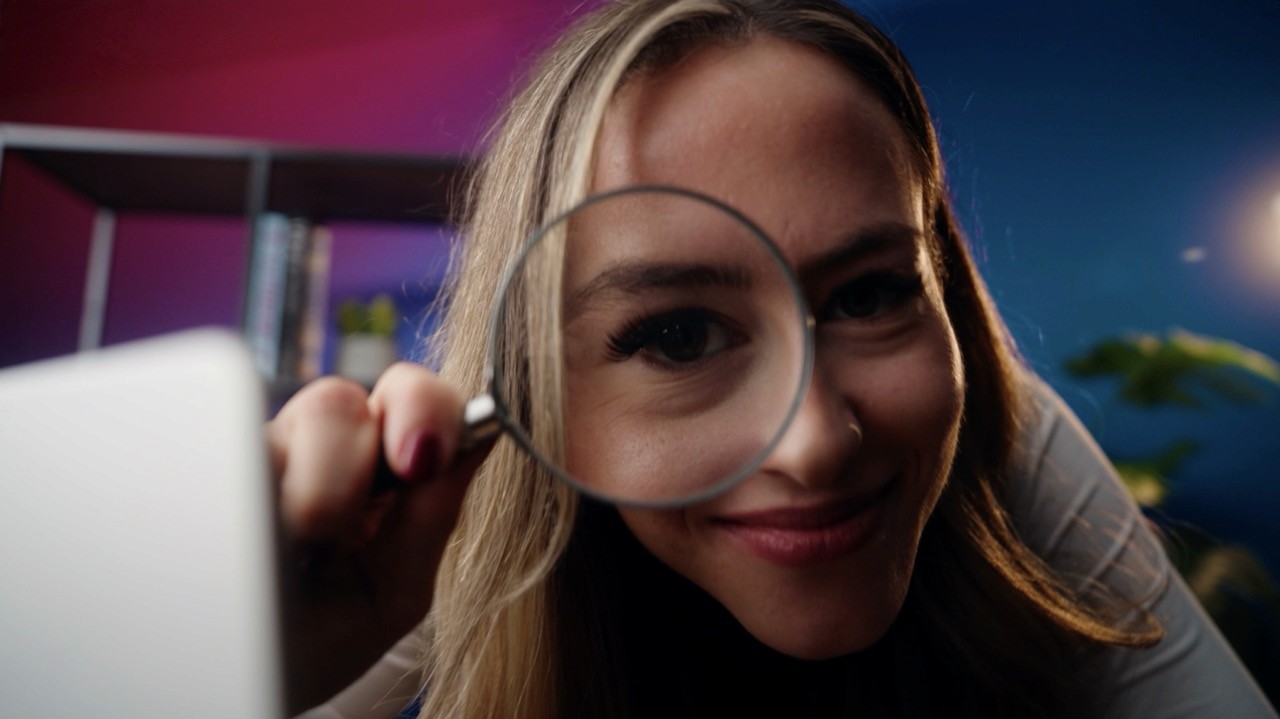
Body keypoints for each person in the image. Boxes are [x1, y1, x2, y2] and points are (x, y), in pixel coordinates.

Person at [268, 1, 1278, 717]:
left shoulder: (996, 439)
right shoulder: (450, 525)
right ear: (543, 387)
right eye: (677, 335)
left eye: (869, 294)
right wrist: (246, 671)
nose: (815, 441)